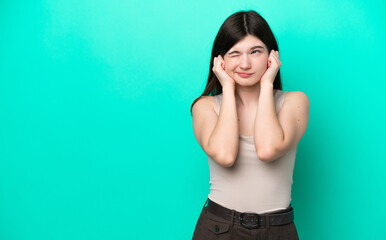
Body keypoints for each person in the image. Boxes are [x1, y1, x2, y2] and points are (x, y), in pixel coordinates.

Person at [190, 10, 309, 240]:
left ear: (271, 56)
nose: (245, 64)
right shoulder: (205, 107)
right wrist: (227, 88)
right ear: (220, 61)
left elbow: (268, 150)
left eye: (255, 52)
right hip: (218, 229)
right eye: (235, 53)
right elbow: (224, 155)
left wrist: (267, 85)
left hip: (277, 230)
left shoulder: (294, 102)